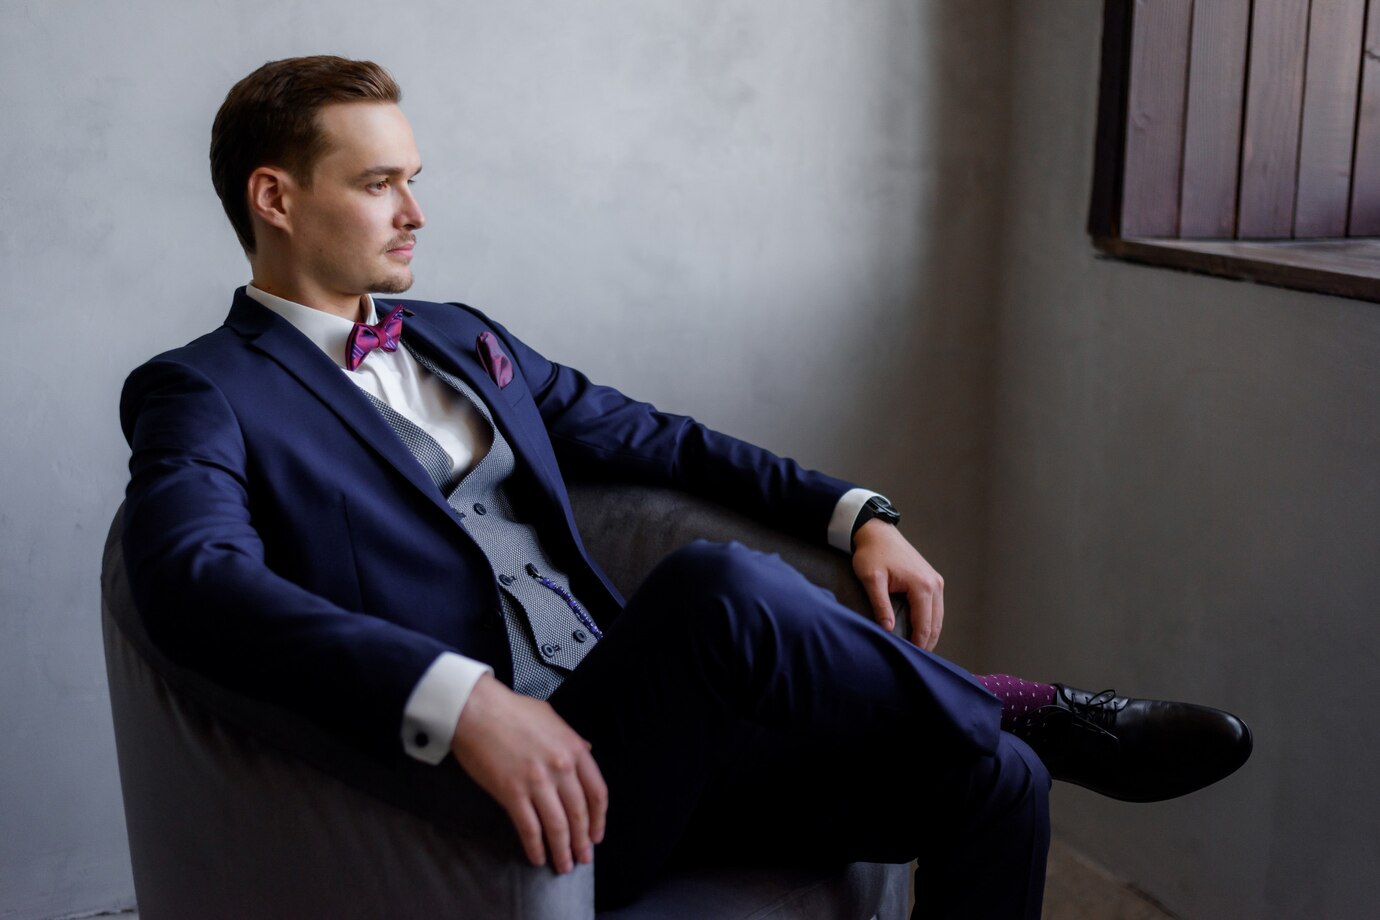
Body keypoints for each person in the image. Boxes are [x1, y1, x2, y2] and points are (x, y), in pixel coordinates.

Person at [118, 55, 1251, 918]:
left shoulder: (459, 336)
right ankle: (1027, 702)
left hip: (655, 738)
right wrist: (453, 698)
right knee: (714, 588)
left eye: (414, 181)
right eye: (380, 185)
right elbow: (190, 580)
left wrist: (855, 512)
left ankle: (1016, 730)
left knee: (998, 781)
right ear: (274, 198)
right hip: (516, 792)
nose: (417, 212)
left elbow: (658, 440)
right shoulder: (204, 389)